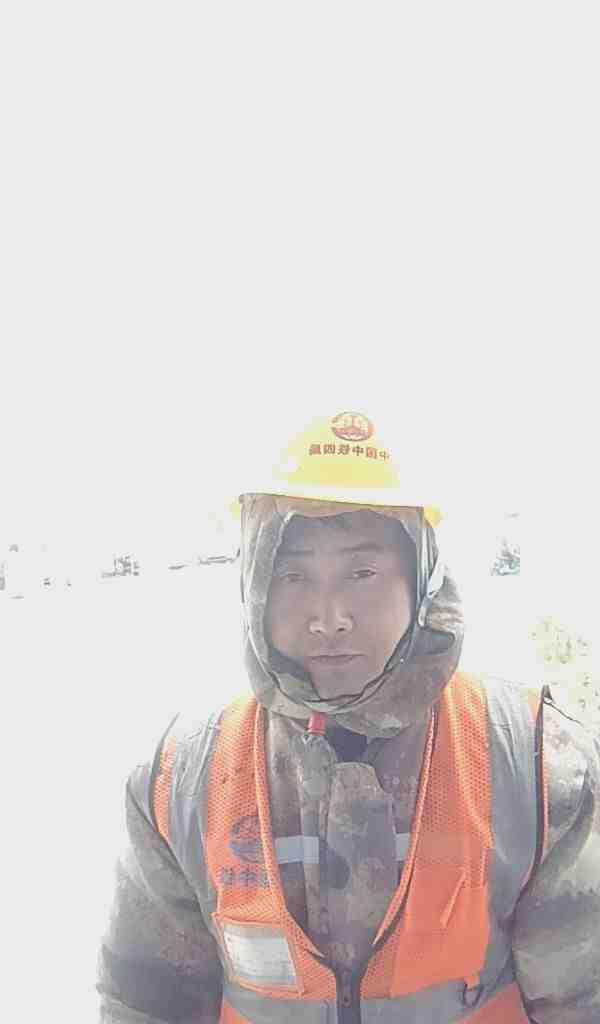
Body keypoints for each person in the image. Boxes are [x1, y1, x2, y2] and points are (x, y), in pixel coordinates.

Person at [97, 411, 600, 1023]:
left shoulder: (537, 765)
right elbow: (144, 1003)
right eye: (293, 574)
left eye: (362, 573)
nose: (329, 617)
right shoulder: (179, 782)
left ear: (422, 578)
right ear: (254, 583)